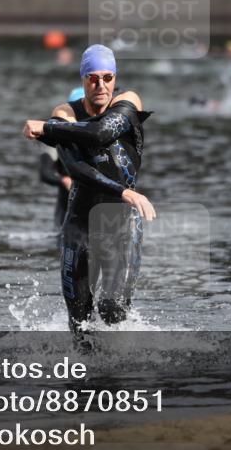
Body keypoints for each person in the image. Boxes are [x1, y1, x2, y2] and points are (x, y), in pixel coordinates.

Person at [23, 45, 156, 334]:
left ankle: (116, 375)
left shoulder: (128, 101)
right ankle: (80, 376)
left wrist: (48, 129)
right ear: (83, 79)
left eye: (107, 77)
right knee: (80, 323)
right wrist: (124, 191)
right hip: (79, 224)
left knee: (112, 311)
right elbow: (76, 169)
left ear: (115, 77)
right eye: (93, 78)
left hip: (121, 224)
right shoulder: (65, 112)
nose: (101, 85)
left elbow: (99, 134)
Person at [38, 87, 82, 228]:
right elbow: (45, 173)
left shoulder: (106, 132)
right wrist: (64, 180)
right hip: (66, 209)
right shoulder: (55, 138)